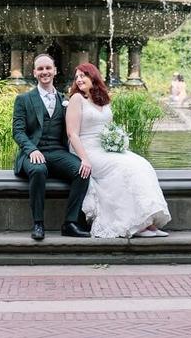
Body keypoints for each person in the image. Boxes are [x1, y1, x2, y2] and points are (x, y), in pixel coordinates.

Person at [66, 63, 171, 238]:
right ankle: (134, 224)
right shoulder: (77, 99)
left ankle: (147, 220)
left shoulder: (103, 99)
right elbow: (72, 133)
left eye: (83, 75)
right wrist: (83, 159)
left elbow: (108, 127)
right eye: (76, 77)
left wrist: (117, 140)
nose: (79, 80)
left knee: (141, 164)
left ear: (93, 77)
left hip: (104, 149)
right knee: (124, 168)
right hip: (86, 149)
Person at [12, 53, 91, 241]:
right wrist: (32, 150)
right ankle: (38, 223)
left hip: (57, 152)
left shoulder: (66, 100)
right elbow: (18, 132)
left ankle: (70, 223)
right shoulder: (24, 100)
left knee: (82, 171)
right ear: (34, 72)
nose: (44, 72)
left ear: (55, 71)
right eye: (40, 69)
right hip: (32, 153)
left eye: (48, 68)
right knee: (38, 170)